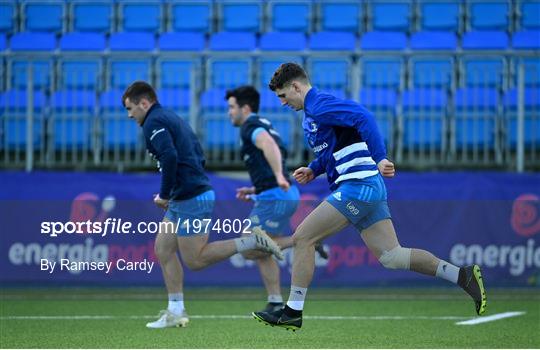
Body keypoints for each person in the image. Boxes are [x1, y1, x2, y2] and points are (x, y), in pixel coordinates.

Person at [252, 63, 487, 331]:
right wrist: (314, 169)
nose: (283, 102)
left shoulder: (319, 104)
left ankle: (292, 311)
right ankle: (462, 276)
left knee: (303, 237)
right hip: (365, 186)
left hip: (358, 185)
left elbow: (364, 117)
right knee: (393, 257)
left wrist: (381, 157)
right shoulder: (312, 113)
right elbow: (334, 148)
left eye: (283, 96)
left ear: (296, 86)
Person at [122, 81, 283, 329]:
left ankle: (251, 241)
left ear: (144, 103)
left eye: (130, 108)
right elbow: (197, 153)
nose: (129, 115)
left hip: (190, 198)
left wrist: (165, 194)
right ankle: (176, 310)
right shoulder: (169, 117)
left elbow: (170, 156)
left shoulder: (154, 121)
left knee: (195, 260)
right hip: (185, 195)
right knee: (163, 249)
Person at [225, 86, 328, 313]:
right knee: (263, 249)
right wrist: (255, 188)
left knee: (249, 247)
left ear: (245, 108)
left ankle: (303, 240)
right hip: (278, 193)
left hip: (275, 196)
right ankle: (274, 301)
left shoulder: (250, 126)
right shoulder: (263, 123)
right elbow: (271, 155)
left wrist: (279, 177)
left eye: (232, 107)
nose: (229, 112)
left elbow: (269, 146)